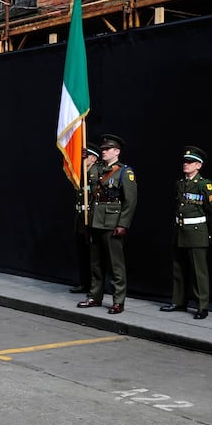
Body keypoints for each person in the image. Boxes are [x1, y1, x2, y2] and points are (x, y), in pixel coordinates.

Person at [77, 134, 137, 314]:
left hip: (112, 223)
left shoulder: (124, 172)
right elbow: (83, 181)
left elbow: (130, 201)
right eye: (102, 149)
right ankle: (95, 296)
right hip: (95, 221)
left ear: (116, 151)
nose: (103, 151)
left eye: (107, 149)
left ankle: (118, 300)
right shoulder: (96, 168)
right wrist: (83, 161)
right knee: (96, 263)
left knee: (116, 265)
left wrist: (123, 224)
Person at [160, 146, 212, 320]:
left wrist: (208, 232)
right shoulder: (180, 183)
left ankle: (202, 306)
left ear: (198, 165)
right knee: (178, 268)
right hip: (180, 230)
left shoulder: (204, 185)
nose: (186, 164)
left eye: (190, 162)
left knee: (198, 271)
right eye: (185, 162)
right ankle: (178, 302)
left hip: (197, 231)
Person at [69, 142, 101, 294]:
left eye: (86, 156)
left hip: (92, 218)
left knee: (93, 256)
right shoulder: (81, 173)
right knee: (82, 253)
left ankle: (94, 287)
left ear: (94, 159)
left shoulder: (96, 173)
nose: (83, 158)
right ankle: (84, 283)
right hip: (81, 219)